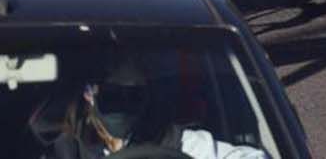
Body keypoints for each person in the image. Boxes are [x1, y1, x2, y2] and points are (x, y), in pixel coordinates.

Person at [49, 60, 264, 159]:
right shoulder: (65, 151)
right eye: (112, 95)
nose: (123, 105)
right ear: (89, 94)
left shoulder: (173, 141)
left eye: (134, 96)